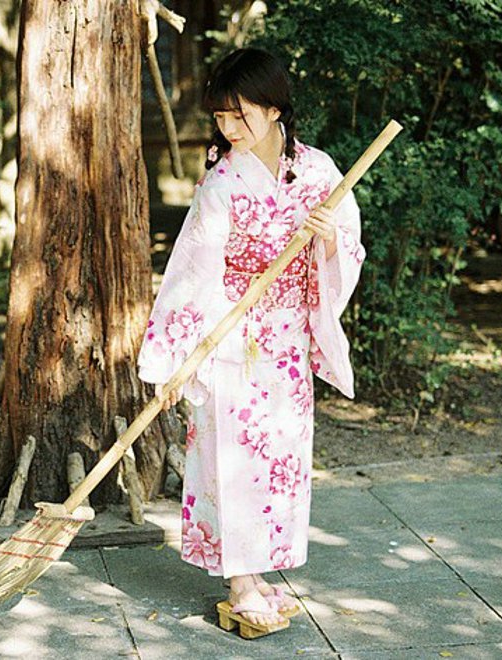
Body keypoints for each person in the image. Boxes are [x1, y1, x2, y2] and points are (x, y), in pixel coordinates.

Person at [136, 48, 365, 638]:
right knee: (230, 457)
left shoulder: (317, 171)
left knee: (280, 458)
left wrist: (327, 240)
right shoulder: (223, 183)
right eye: (220, 118)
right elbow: (192, 271)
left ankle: (260, 569)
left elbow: (348, 251)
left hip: (286, 340)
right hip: (231, 334)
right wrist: (177, 357)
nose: (228, 128)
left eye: (239, 115)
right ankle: (239, 579)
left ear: (272, 107)